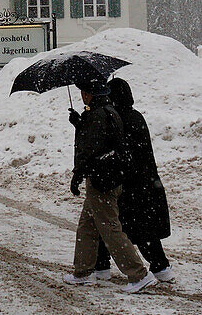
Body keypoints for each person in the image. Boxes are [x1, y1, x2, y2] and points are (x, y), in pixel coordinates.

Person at [64, 78, 157, 294]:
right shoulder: (108, 111)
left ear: (89, 94)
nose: (81, 95)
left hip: (101, 181)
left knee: (110, 228)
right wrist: (80, 123)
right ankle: (83, 272)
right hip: (110, 177)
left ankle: (139, 274)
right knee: (87, 226)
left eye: (83, 92)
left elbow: (89, 150)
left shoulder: (96, 116)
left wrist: (77, 176)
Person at [94, 78, 174, 282]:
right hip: (144, 182)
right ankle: (160, 267)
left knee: (113, 224)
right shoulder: (134, 116)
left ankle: (105, 266)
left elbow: (115, 149)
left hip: (129, 184)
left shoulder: (120, 119)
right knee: (133, 227)